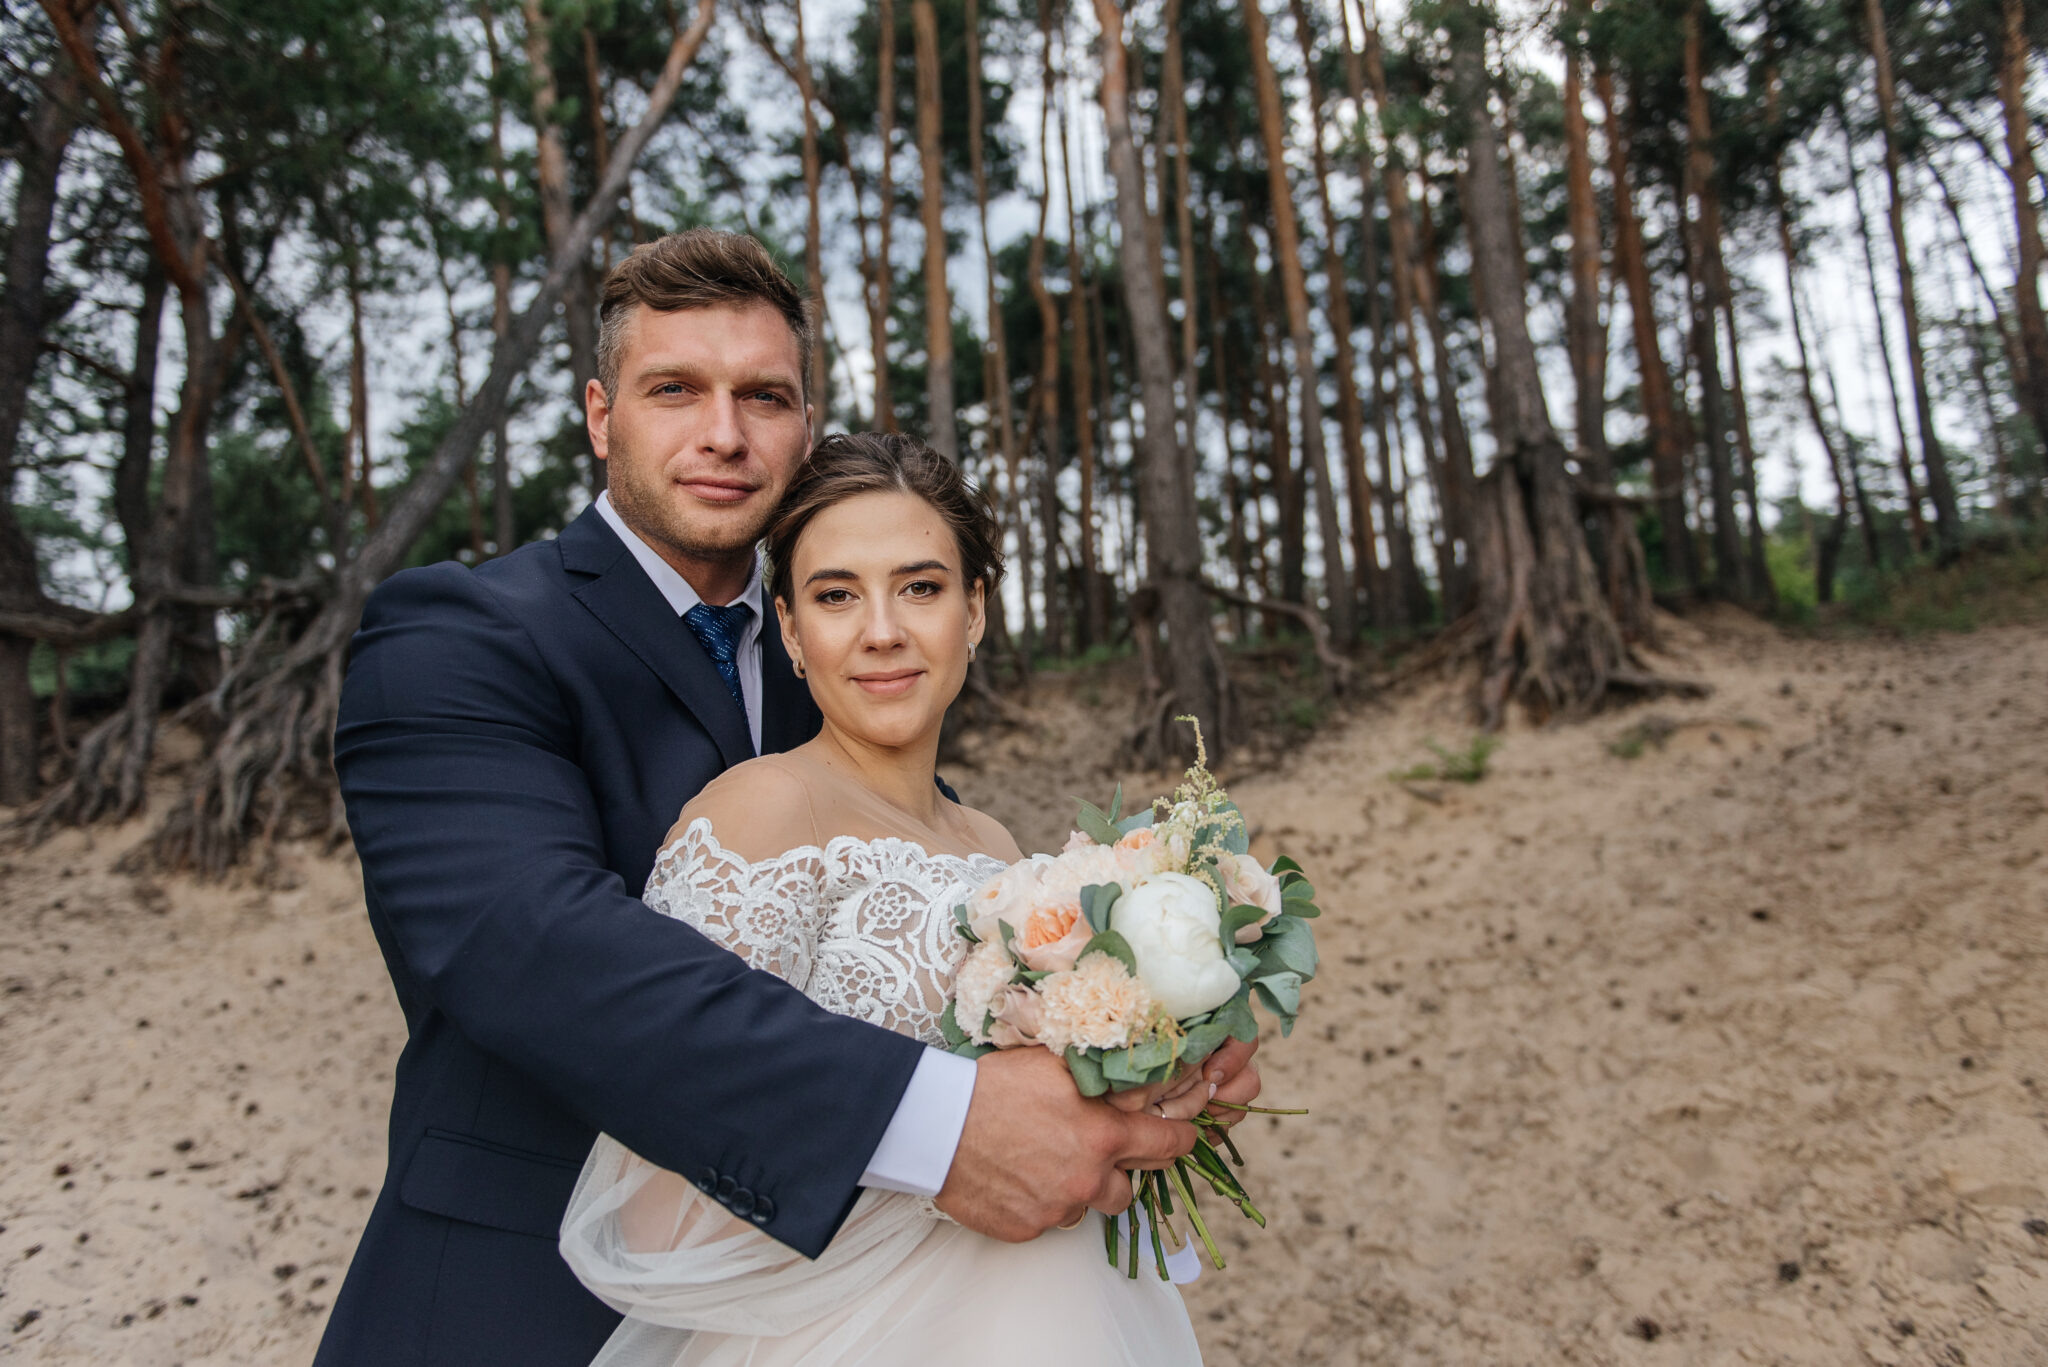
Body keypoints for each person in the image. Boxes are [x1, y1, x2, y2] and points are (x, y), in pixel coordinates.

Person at [317, 229, 1257, 1367]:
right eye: (676, 390)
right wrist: (937, 1126)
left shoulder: (853, 677)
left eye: (764, 395)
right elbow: (526, 940)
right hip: (523, 1292)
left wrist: (1144, 1059)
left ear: (803, 427)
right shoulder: (464, 634)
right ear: (601, 415)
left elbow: (942, 986)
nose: (724, 432)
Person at [559, 431, 1228, 1365]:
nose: (883, 629)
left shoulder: (999, 850)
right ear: (790, 630)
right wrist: (945, 1173)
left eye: (921, 586)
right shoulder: (763, 812)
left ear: (976, 610)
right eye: (836, 595)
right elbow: (658, 1208)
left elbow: (1050, 1110)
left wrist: (1160, 1087)